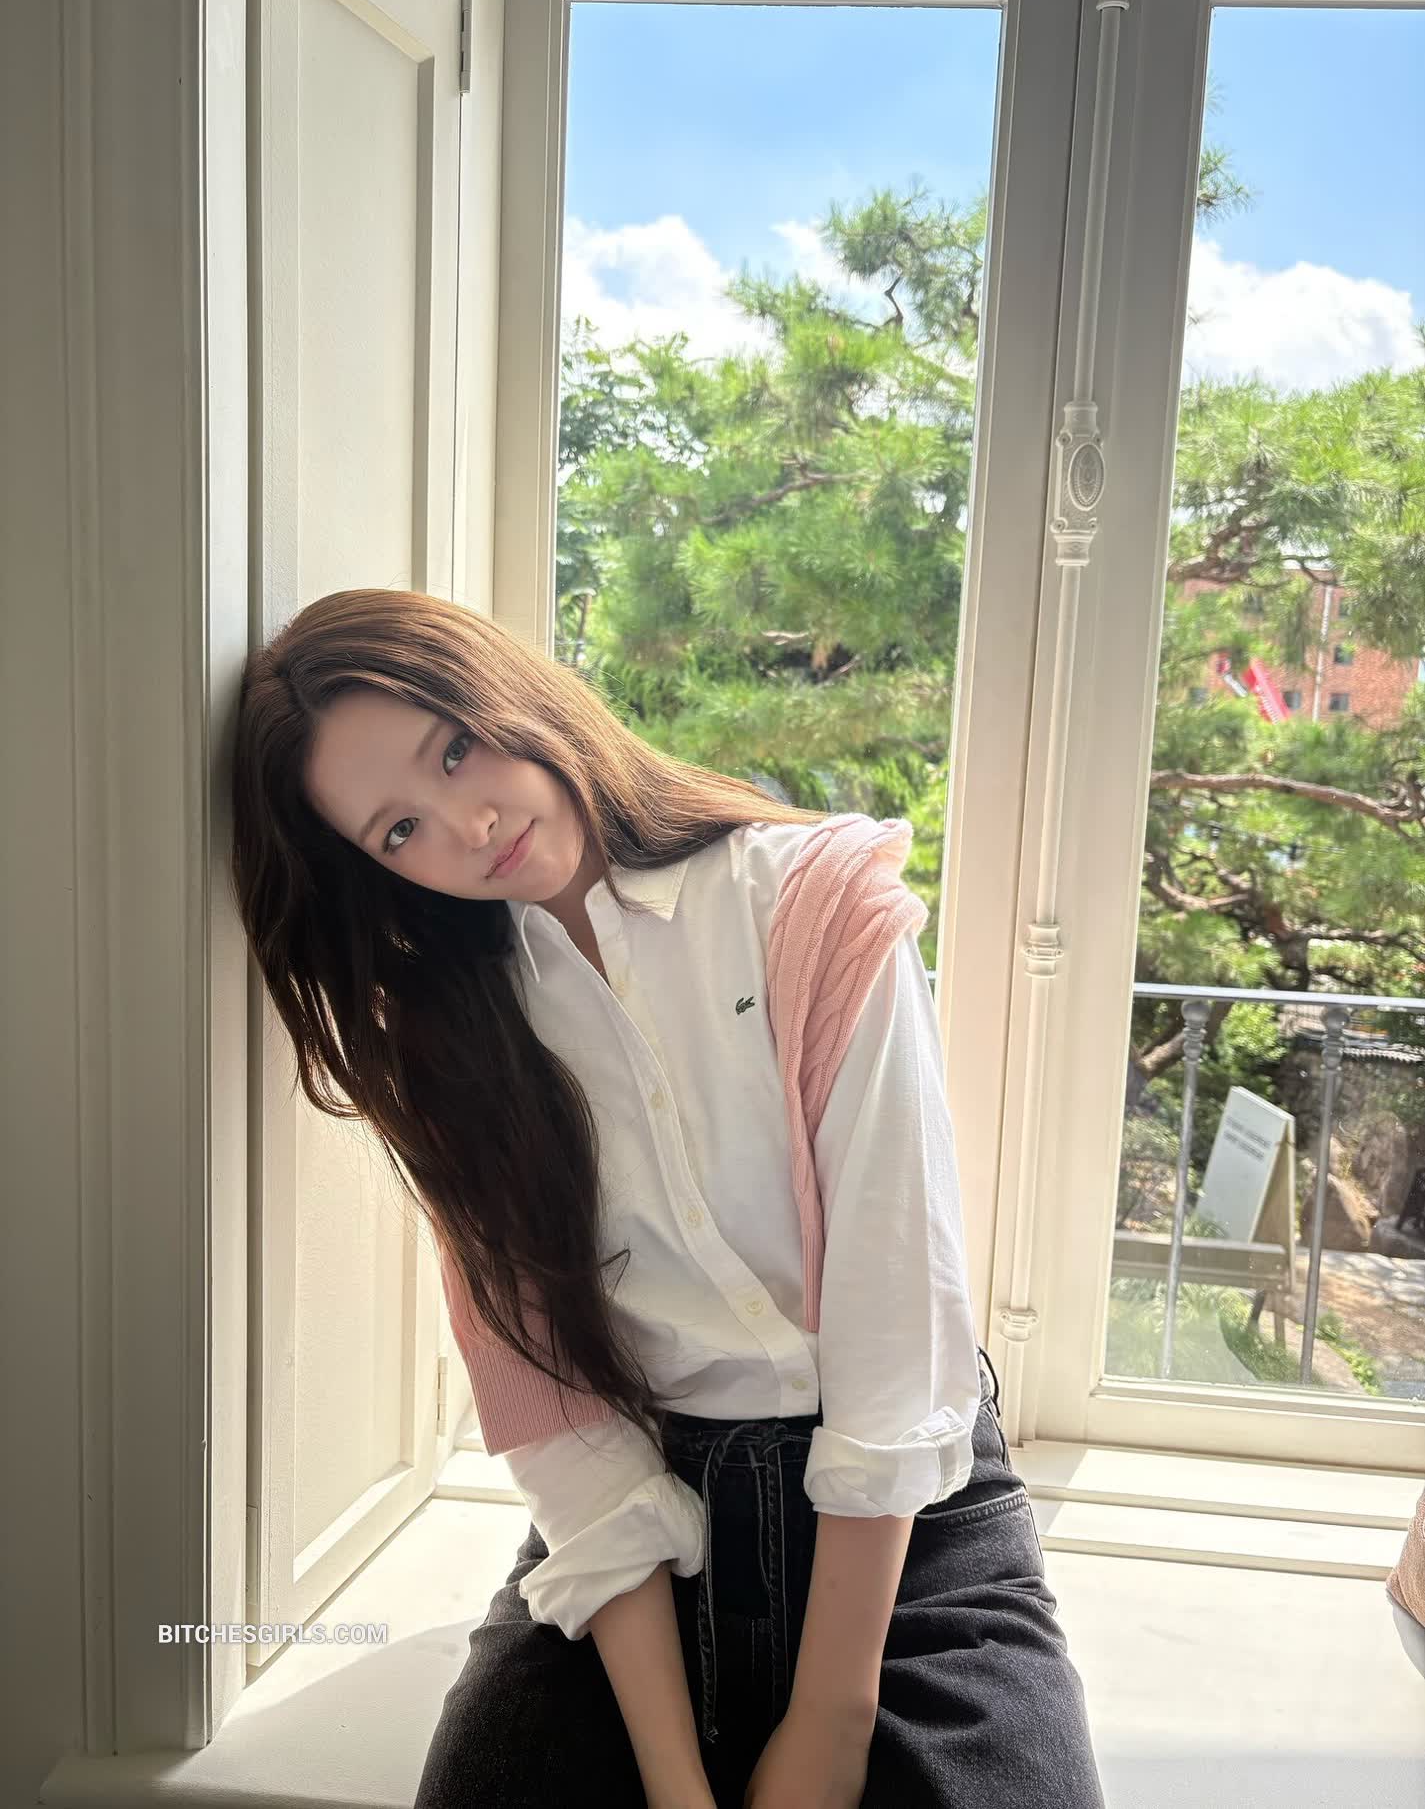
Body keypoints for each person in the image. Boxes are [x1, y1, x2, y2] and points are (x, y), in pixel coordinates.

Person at [229, 586, 1106, 1809]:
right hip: (648, 1514)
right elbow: (563, 1419)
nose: (469, 823)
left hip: (917, 1532)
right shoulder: (449, 1045)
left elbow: (899, 1335)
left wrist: (833, 1721)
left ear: (505, 691)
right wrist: (676, 1778)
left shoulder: (809, 902)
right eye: (400, 830)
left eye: (456, 748)